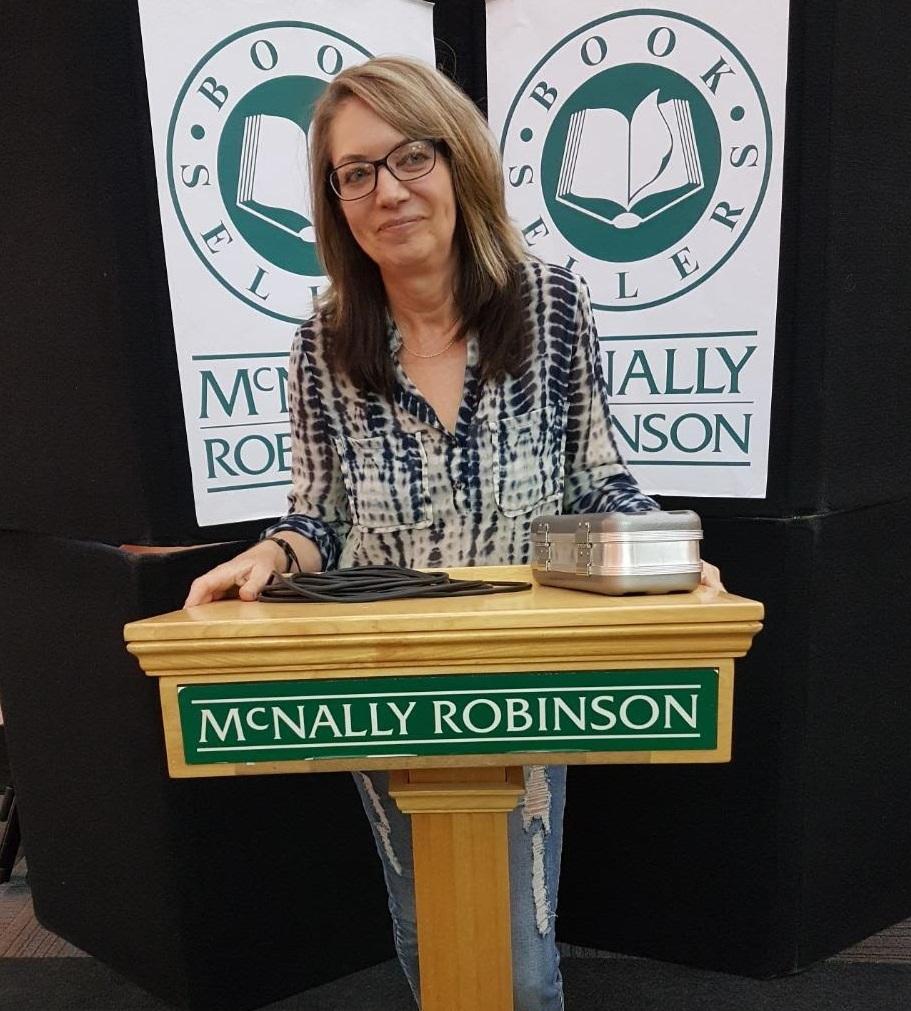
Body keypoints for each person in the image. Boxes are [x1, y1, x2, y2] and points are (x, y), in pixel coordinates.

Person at [185, 56, 723, 1010]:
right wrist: (268, 554)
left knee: (519, 948)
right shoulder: (321, 338)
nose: (386, 191)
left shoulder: (550, 303)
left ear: (459, 161)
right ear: (335, 200)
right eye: (355, 173)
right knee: (420, 916)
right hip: (385, 669)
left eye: (410, 157)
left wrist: (671, 564)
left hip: (524, 664)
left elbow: (599, 476)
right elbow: (320, 515)